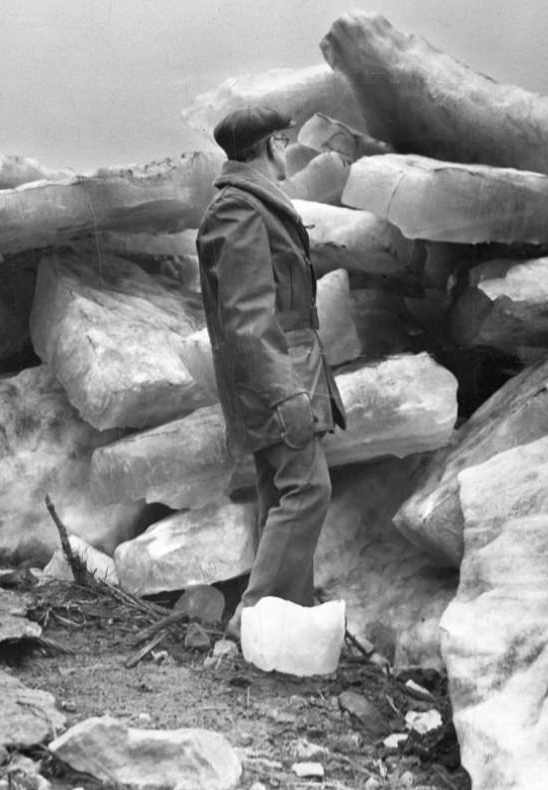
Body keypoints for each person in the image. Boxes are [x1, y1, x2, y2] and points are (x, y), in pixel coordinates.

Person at [196, 105, 347, 639]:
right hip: (278, 379)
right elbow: (247, 316)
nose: (288, 151)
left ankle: (292, 626)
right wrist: (285, 396)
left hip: (285, 373)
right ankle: (252, 623)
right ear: (269, 146)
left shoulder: (249, 206)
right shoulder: (238, 212)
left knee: (282, 496)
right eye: (283, 142)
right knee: (308, 491)